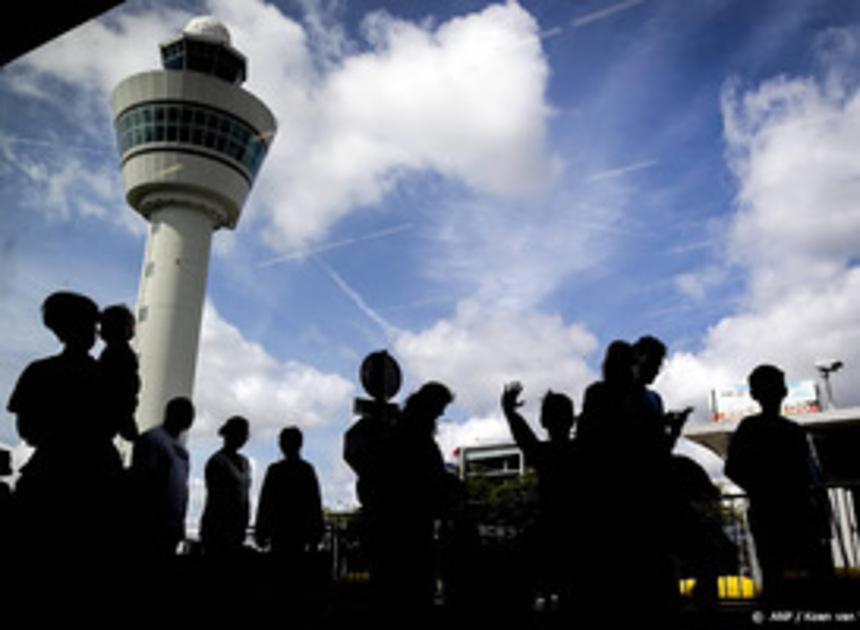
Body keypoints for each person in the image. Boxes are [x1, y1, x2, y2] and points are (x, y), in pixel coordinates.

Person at [6, 291, 122, 557]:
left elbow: (27, 430)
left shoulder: (39, 371)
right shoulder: (106, 377)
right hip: (97, 479)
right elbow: (116, 423)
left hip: (48, 477)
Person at [725, 364, 832, 602]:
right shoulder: (792, 431)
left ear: (753, 394)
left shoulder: (750, 429)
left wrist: (758, 488)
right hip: (797, 509)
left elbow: (732, 468)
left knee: (774, 576)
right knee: (814, 576)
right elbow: (807, 472)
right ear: (784, 391)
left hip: (768, 511)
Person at [375, 381, 454, 619]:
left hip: (395, 523)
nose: (440, 414)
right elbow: (431, 478)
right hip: (414, 523)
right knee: (416, 589)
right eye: (439, 408)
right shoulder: (420, 440)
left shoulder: (399, 433)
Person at [501, 382, 578, 609]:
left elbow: (526, 439)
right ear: (572, 420)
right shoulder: (583, 452)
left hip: (548, 530)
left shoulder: (545, 454)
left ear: (544, 421)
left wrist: (510, 412)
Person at [129, 396, 195, 558]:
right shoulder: (153, 440)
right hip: (152, 524)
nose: (190, 417)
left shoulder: (181, 450)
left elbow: (182, 489)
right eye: (185, 413)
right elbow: (142, 482)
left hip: (170, 524)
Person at [255, 426, 323, 559]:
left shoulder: (274, 470)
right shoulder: (307, 470)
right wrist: (316, 533)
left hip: (279, 531)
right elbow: (314, 503)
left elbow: (265, 503)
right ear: (300, 444)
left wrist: (261, 531)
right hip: (301, 531)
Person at [200, 416, 252, 556]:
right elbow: (217, 497)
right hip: (219, 527)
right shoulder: (217, 461)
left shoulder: (245, 462)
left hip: (237, 527)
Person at [97, 304, 140, 443]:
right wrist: (134, 435)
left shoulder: (107, 356)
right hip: (105, 431)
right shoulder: (123, 357)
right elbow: (121, 397)